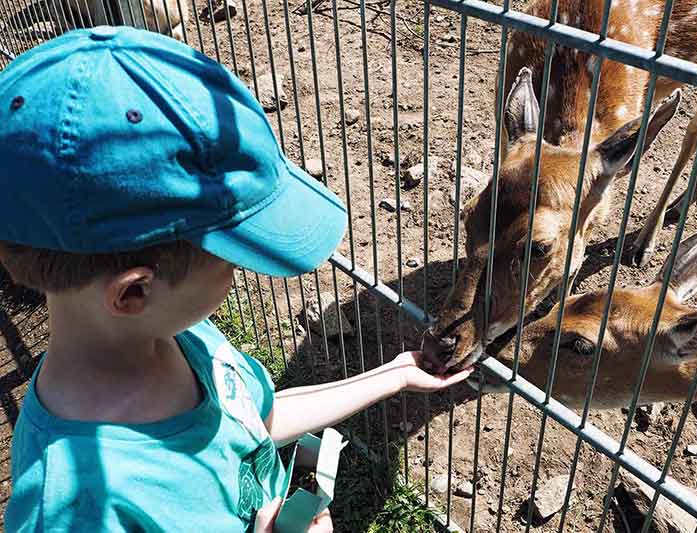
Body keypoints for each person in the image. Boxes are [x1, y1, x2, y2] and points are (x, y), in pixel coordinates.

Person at [0, 26, 473, 532]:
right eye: (231, 260)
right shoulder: (74, 510)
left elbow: (250, 425)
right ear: (135, 290)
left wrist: (394, 376)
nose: (239, 273)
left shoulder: (178, 335)